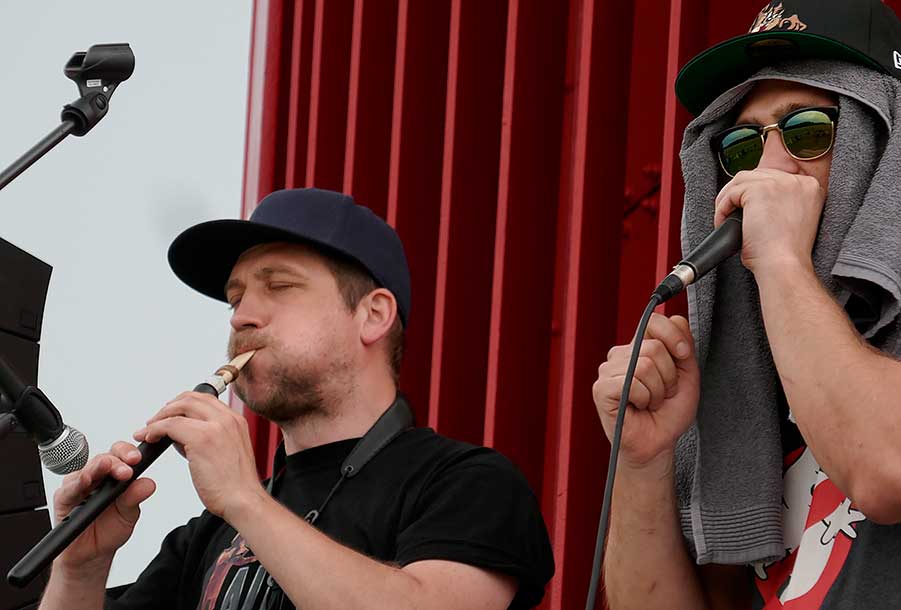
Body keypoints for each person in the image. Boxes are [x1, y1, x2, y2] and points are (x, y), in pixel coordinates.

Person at [593, 1, 901, 608]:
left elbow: (894, 470)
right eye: (741, 147)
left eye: (806, 131)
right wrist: (641, 461)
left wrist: (781, 259)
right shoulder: (739, 357)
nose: (765, 169)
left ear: (890, 148)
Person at [39, 188, 554, 610]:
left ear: (373, 315)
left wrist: (245, 499)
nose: (242, 317)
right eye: (236, 298)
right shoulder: (208, 533)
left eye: (280, 286)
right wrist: (78, 569)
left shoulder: (469, 484)